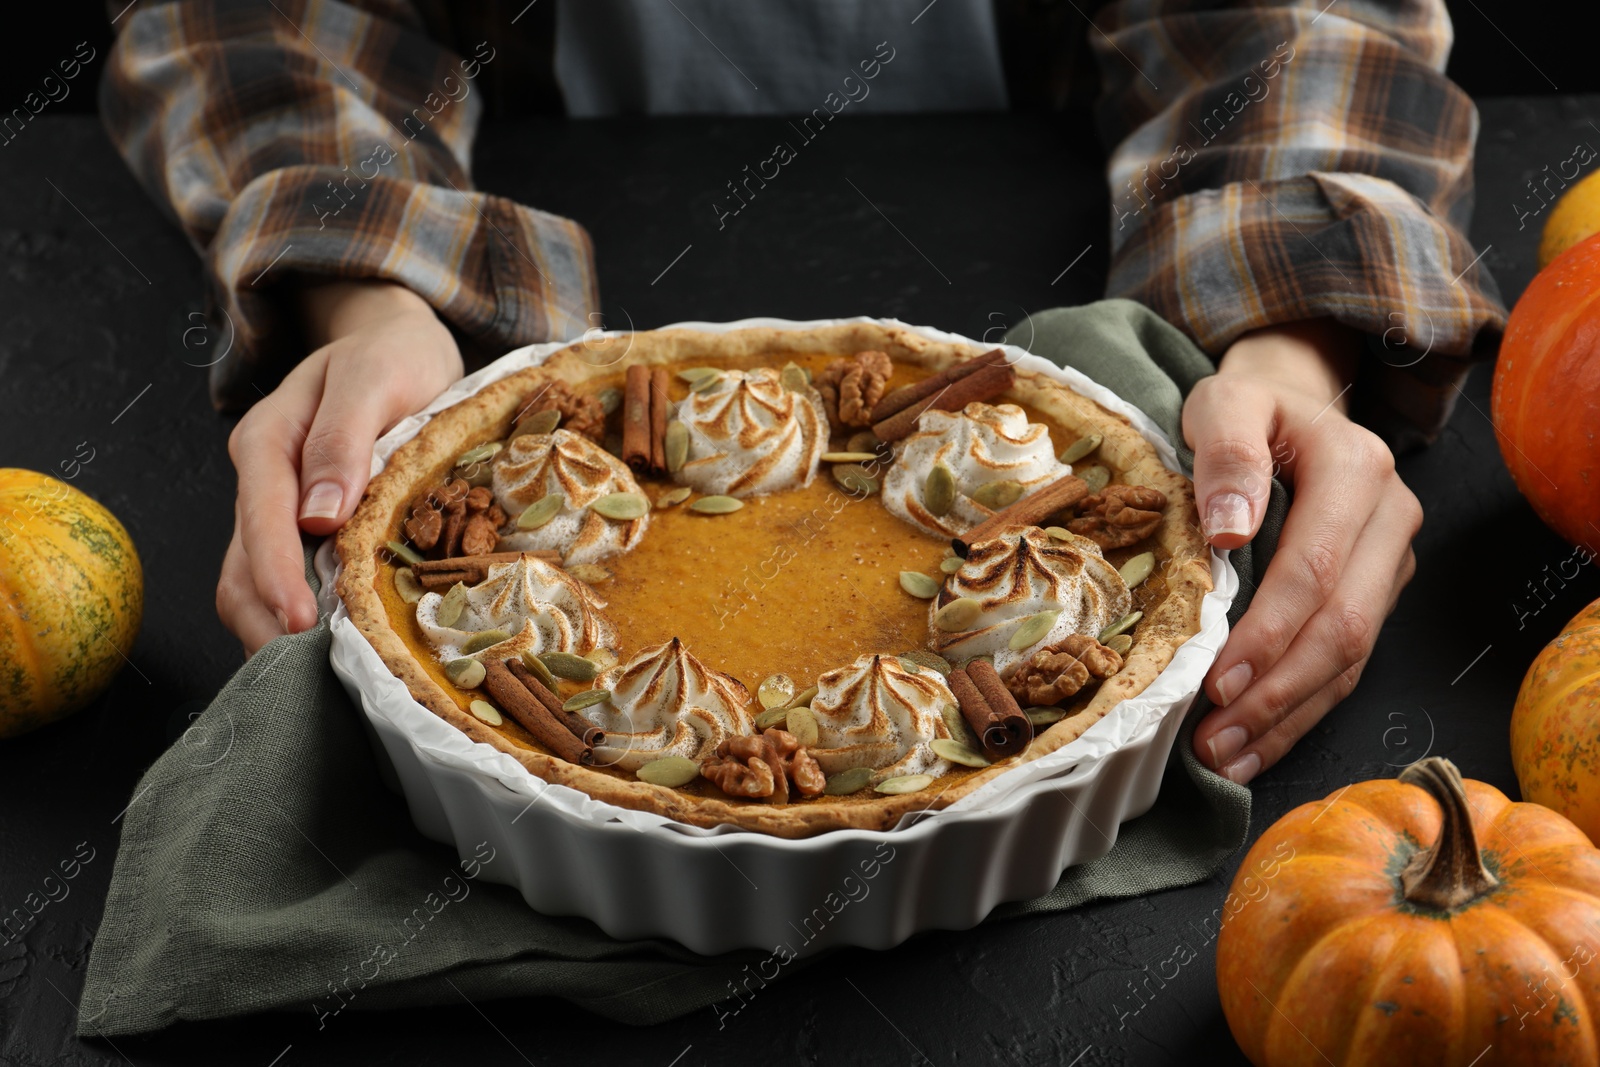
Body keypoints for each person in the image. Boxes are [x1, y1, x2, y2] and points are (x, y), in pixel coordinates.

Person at [100, 0, 1505, 785]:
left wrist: (1281, 346)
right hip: (539, 199)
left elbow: (1302, 27)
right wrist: (375, 290)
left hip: (1039, 228)